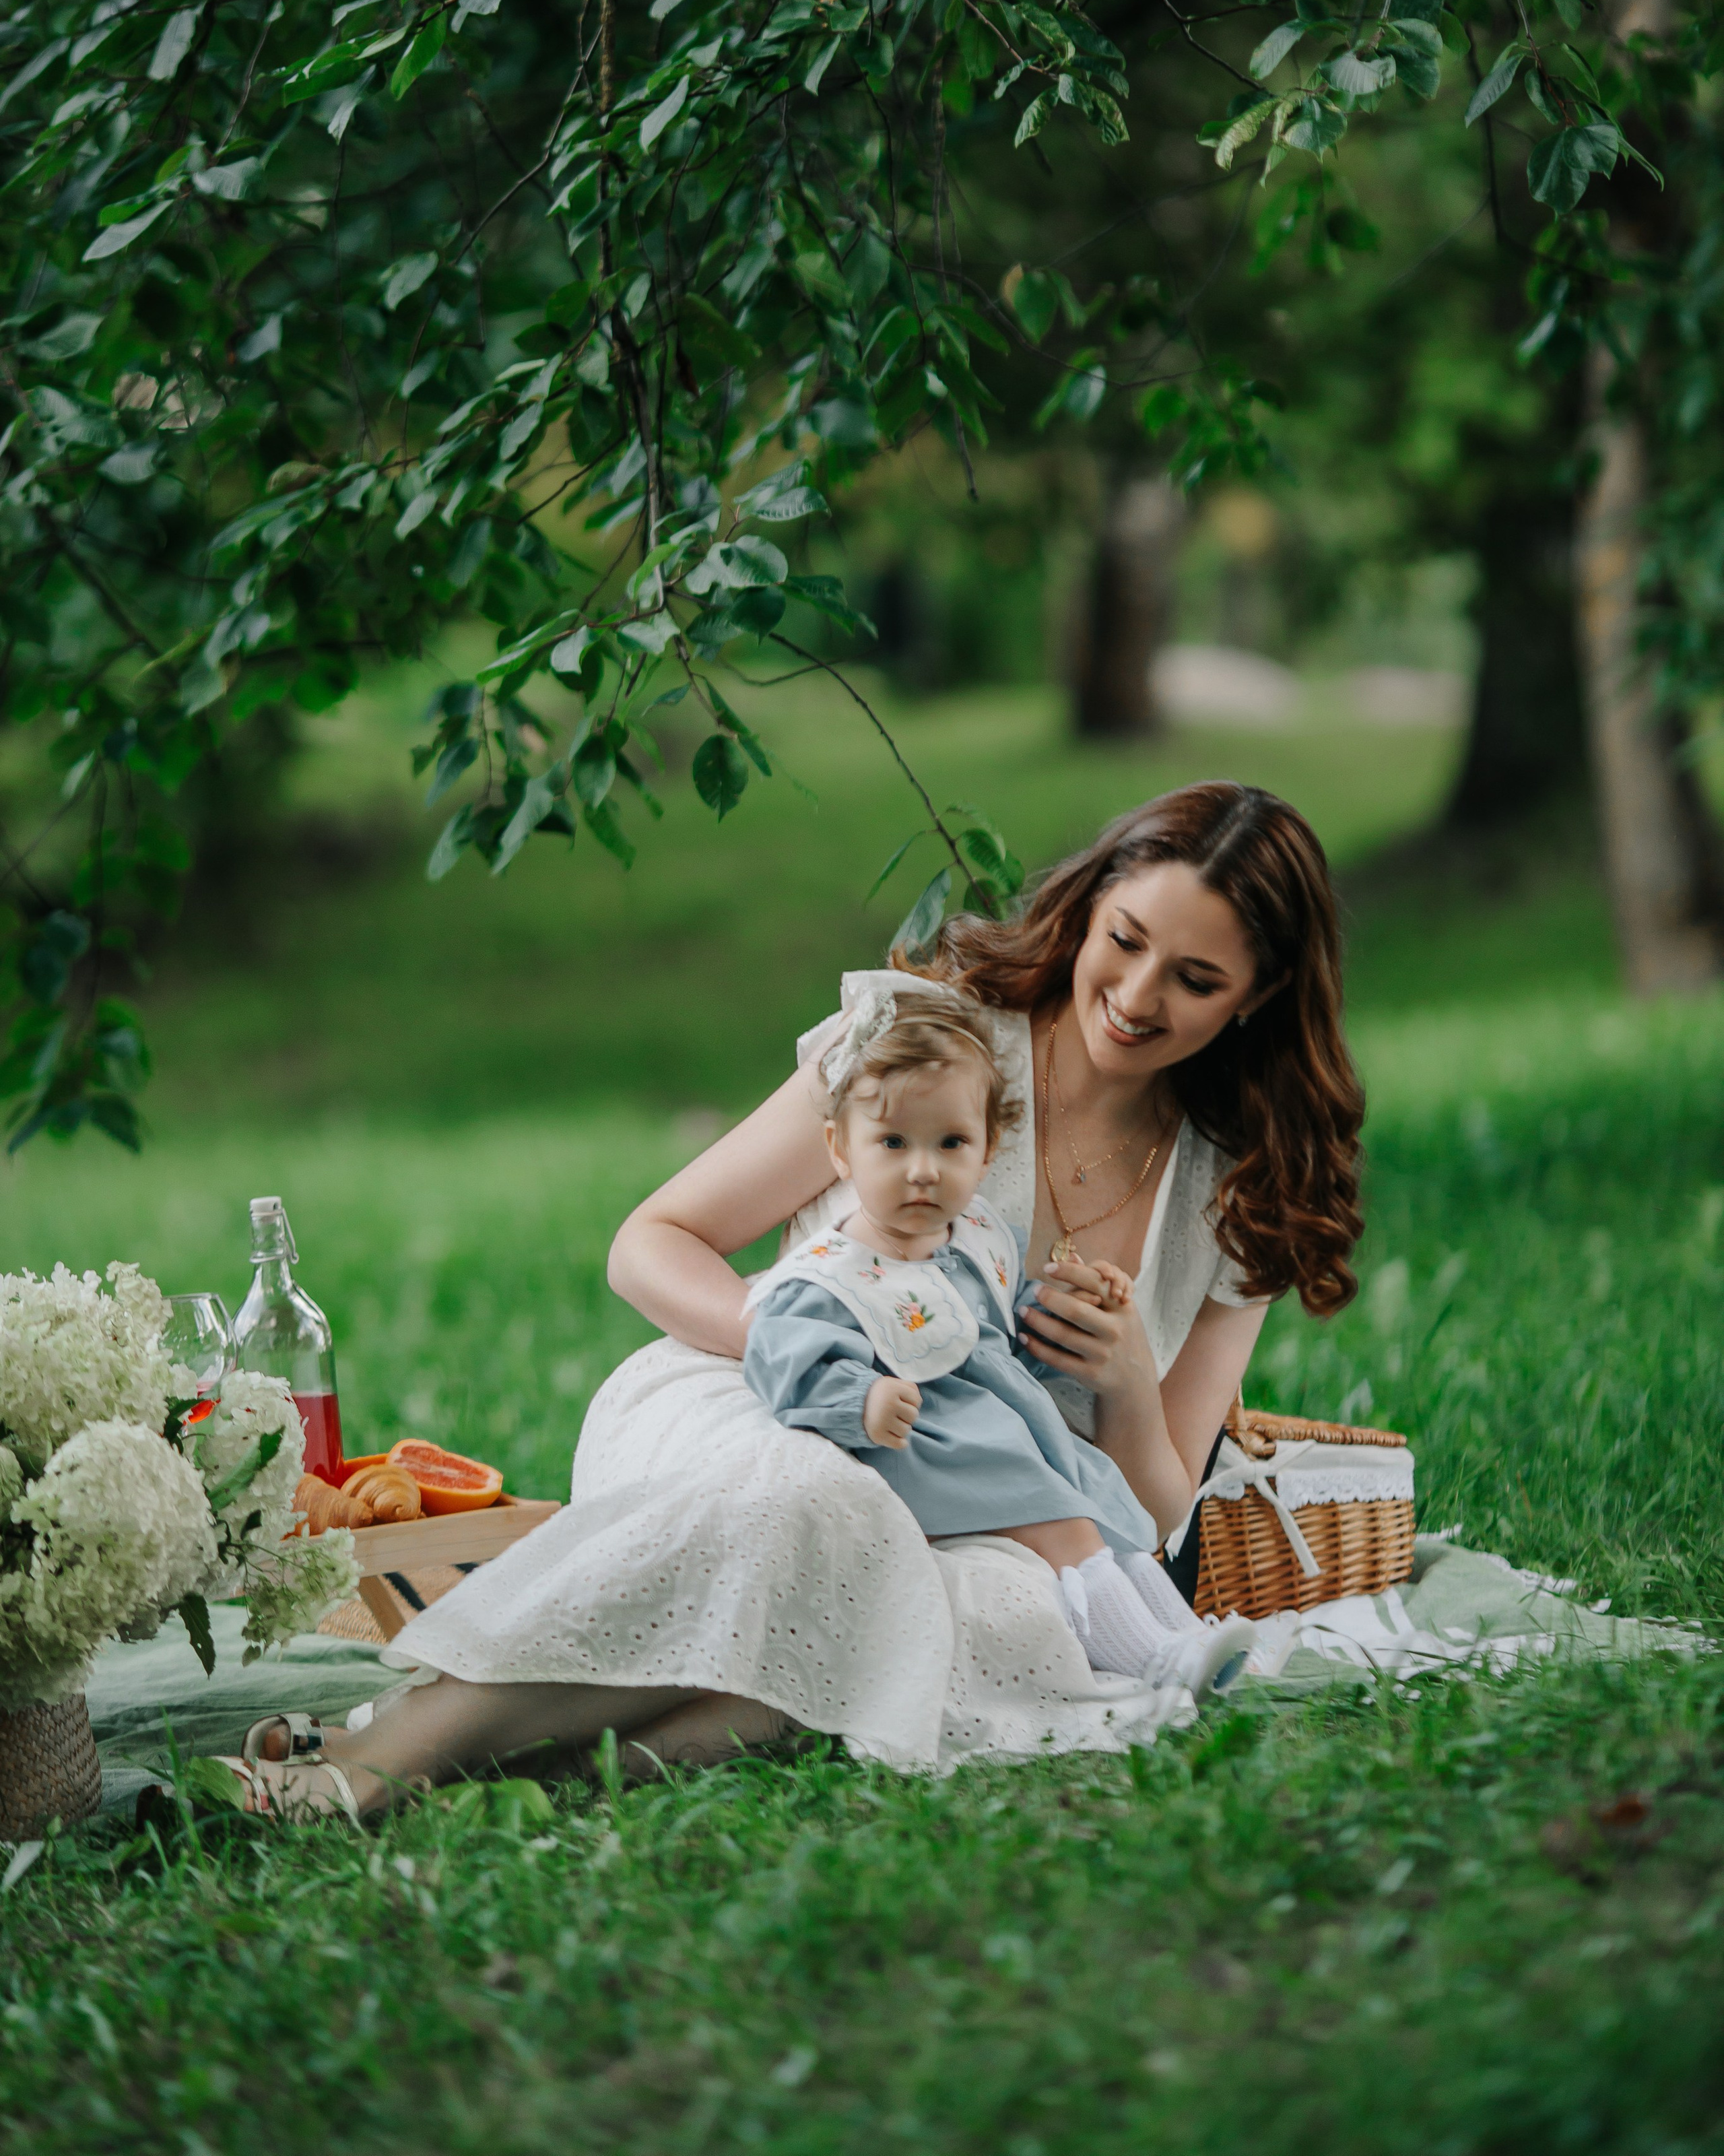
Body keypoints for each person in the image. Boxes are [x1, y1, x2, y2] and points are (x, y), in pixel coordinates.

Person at [223, 780, 1363, 1821]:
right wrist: (791, 1342)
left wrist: (1124, 1391)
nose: (1137, 994)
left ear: (1257, 999)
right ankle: (371, 1778)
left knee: (936, 1633)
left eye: (1197, 981)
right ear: (1095, 903)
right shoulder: (931, 1039)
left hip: (987, 1510)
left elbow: (1162, 1517)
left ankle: (429, 1764)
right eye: (1126, 942)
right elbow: (650, 1243)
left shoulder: (1244, 1191)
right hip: (751, 1404)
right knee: (824, 1515)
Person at [743, 986, 1257, 1694]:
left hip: (1010, 1428)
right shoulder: (832, 1272)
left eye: (950, 1143)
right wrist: (861, 1400)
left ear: (986, 1152)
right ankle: (1150, 1660)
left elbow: (1004, 1319)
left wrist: (1074, 1301)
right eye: (892, 1143)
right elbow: (783, 1358)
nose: (922, 1168)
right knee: (1068, 1529)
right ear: (840, 1149)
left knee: (1106, 1507)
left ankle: (1182, 1636)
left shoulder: (980, 1237)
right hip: (931, 1443)